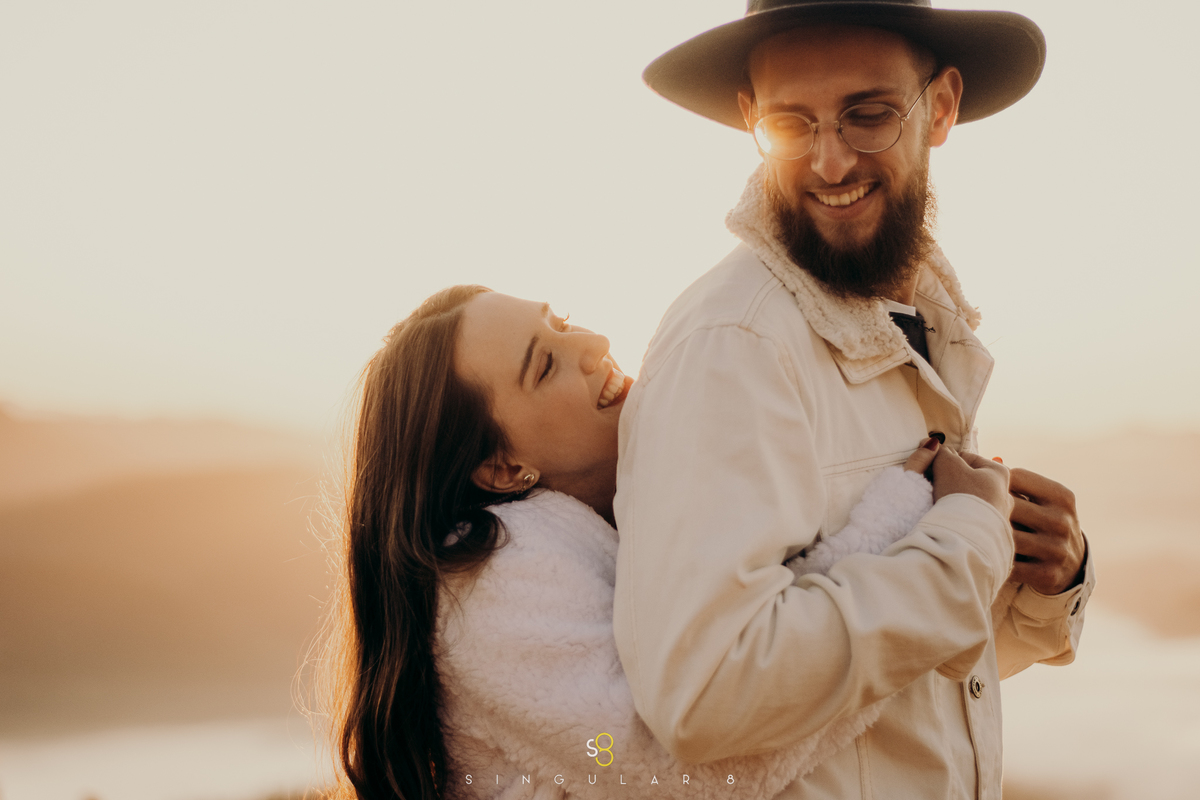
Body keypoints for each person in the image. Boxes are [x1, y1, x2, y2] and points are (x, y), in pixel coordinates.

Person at [613, 1, 1096, 798]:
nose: (830, 163)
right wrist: (968, 542)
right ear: (749, 119)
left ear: (940, 108)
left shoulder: (918, 321)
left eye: (866, 116)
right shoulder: (736, 344)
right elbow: (704, 694)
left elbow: (898, 688)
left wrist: (1050, 581)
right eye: (791, 123)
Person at [319, 285, 1000, 800]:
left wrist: (911, 516)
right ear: (500, 468)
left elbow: (764, 643)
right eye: (545, 364)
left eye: (559, 323)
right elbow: (676, 763)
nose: (589, 345)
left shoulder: (625, 516)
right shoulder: (492, 583)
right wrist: (938, 530)